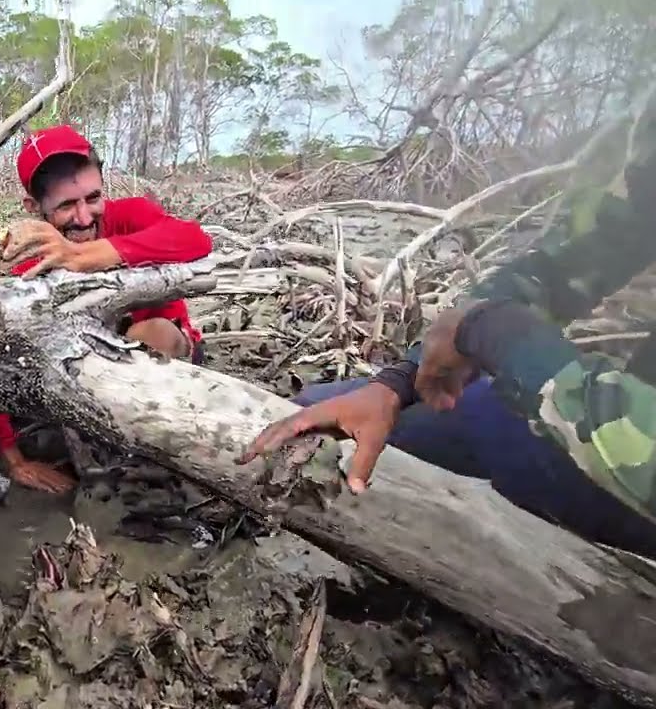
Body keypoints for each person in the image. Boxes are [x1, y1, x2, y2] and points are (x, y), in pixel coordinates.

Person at [239, 94, 656, 560]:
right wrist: (399, 382)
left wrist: (495, 332)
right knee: (307, 420)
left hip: (630, 474)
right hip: (598, 432)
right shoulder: (642, 201)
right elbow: (558, 269)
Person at [0, 124, 214, 494]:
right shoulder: (28, 268)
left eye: (93, 198)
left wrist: (84, 256)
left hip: (169, 361)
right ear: (34, 208)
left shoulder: (132, 215)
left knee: (150, 334)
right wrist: (15, 462)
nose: (85, 217)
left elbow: (197, 239)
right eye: (66, 206)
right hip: (86, 383)